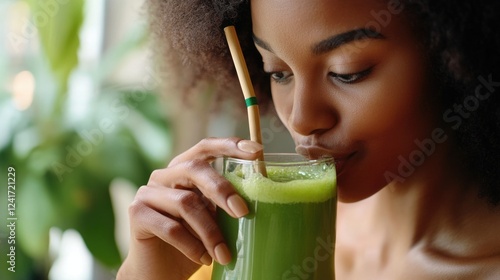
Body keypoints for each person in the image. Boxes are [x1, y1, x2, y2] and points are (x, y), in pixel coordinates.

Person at [117, 0, 500, 279]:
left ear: (453, 55)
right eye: (278, 72)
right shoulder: (219, 244)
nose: (300, 119)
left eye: (348, 72)